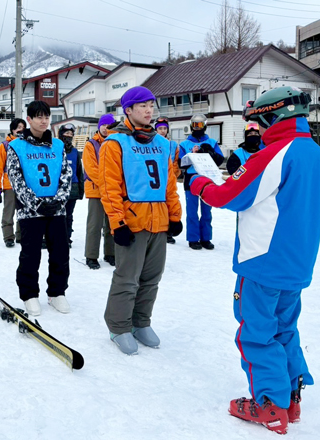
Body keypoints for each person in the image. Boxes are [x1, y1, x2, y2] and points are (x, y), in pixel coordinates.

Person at [189, 86, 320, 434]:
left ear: (272, 116)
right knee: (284, 328)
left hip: (263, 262)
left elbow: (228, 195)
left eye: (258, 121)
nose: (257, 128)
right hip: (298, 263)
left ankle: (269, 405)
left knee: (256, 332)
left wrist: (199, 184)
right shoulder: (317, 155)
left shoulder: (273, 154)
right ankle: (290, 399)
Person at [97, 86, 182, 355]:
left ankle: (141, 322)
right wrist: (117, 223)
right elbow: (109, 187)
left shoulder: (162, 144)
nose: (149, 110)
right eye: (143, 106)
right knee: (127, 278)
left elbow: (170, 184)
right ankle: (119, 326)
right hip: (132, 222)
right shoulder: (115, 143)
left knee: (151, 278)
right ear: (129, 110)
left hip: (159, 221)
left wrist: (175, 215)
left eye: (151, 105)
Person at [6, 100, 72, 316]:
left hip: (56, 209)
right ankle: (29, 294)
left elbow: (66, 175)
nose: (44, 121)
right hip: (30, 211)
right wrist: (36, 203)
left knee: (60, 252)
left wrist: (58, 200)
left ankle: (57, 292)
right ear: (29, 119)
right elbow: (16, 179)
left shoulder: (58, 145)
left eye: (47, 117)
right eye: (39, 117)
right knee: (30, 254)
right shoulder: (16, 146)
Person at [178, 114, 224, 250]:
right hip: (191, 179)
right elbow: (180, 163)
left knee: (206, 210)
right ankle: (193, 238)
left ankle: (206, 238)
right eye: (195, 125)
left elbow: (220, 160)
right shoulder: (184, 144)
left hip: (207, 178)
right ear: (191, 126)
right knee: (192, 211)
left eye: (200, 125)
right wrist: (191, 155)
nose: (197, 128)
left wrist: (209, 152)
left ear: (205, 125)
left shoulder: (212, 142)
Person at [83, 114, 116, 270]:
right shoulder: (91, 144)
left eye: (109, 125)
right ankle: (91, 256)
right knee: (94, 225)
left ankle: (111, 253)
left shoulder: (116, 143)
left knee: (112, 224)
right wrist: (106, 184)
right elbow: (91, 169)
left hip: (112, 191)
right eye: (103, 125)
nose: (105, 128)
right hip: (97, 190)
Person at [0, 118, 25, 247]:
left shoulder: (27, 144)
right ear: (12, 130)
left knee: (23, 211)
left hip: (24, 185)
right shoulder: (5, 146)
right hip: (9, 184)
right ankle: (8, 237)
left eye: (23, 128)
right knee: (9, 211)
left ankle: (21, 235)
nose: (21, 130)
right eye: (18, 128)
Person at [155, 117, 181, 244]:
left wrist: (173, 175)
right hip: (157, 180)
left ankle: (169, 231)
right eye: (160, 128)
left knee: (170, 204)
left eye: (165, 128)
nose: (162, 131)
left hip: (169, 179)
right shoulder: (153, 143)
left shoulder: (173, 145)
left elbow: (176, 162)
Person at [58, 123, 84, 247]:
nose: (68, 136)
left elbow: (79, 171)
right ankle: (52, 238)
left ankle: (66, 238)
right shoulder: (55, 150)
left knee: (68, 215)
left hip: (72, 187)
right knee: (56, 214)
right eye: (66, 133)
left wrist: (81, 190)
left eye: (70, 134)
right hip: (58, 188)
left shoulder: (75, 152)